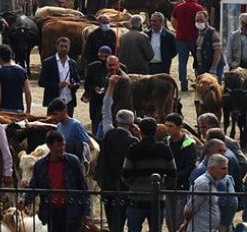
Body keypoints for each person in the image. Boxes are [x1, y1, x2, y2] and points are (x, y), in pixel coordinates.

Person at [21, 131, 90, 232]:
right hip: (51, 211)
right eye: (58, 145)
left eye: (63, 145)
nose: (62, 148)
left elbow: (83, 188)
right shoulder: (40, 166)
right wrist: (25, 200)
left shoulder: (73, 162)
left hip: (71, 210)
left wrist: (86, 212)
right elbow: (34, 186)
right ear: (50, 146)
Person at [96, 77, 137, 232]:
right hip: (124, 187)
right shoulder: (133, 142)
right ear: (131, 124)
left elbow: (106, 109)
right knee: (120, 221)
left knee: (111, 219)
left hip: (107, 184)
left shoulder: (108, 133)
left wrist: (111, 87)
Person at [122, 117, 177, 231]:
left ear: (140, 131)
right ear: (156, 131)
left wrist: (135, 184)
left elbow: (126, 173)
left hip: (137, 198)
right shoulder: (164, 149)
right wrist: (162, 184)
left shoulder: (134, 149)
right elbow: (173, 173)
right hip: (157, 199)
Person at [163, 112, 198, 232]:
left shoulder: (189, 144)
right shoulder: (165, 142)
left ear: (179, 127)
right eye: (166, 125)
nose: (167, 129)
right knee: (169, 220)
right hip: (168, 186)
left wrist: (174, 177)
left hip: (182, 187)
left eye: (171, 126)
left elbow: (190, 167)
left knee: (179, 219)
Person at [180, 153, 233, 232]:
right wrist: (186, 223)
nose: (226, 172)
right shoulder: (204, 184)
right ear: (212, 169)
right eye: (223, 169)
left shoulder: (213, 182)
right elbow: (189, 209)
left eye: (226, 168)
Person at [172, 0, 205, 90]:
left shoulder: (178, 7)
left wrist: (178, 29)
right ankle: (199, 82)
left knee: (182, 62)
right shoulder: (199, 8)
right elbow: (202, 23)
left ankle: (183, 84)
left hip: (181, 38)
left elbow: (173, 20)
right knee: (198, 62)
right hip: (195, 38)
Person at [39, 37, 80, 116]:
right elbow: (41, 82)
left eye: (66, 46)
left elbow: (77, 81)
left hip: (69, 101)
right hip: (54, 101)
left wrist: (74, 85)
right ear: (56, 47)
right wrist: (56, 85)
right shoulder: (48, 62)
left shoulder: (73, 63)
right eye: (61, 46)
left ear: (69, 47)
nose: (64, 48)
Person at [0, 44, 31, 113]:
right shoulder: (22, 72)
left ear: (0, 58)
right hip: (19, 109)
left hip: (4, 110)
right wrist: (28, 110)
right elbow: (28, 92)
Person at [195, 10, 224, 78]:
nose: (199, 22)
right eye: (197, 20)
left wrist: (214, 68)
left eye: (201, 20)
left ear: (206, 19)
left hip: (214, 67)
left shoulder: (213, 33)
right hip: (203, 67)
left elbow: (218, 51)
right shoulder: (198, 33)